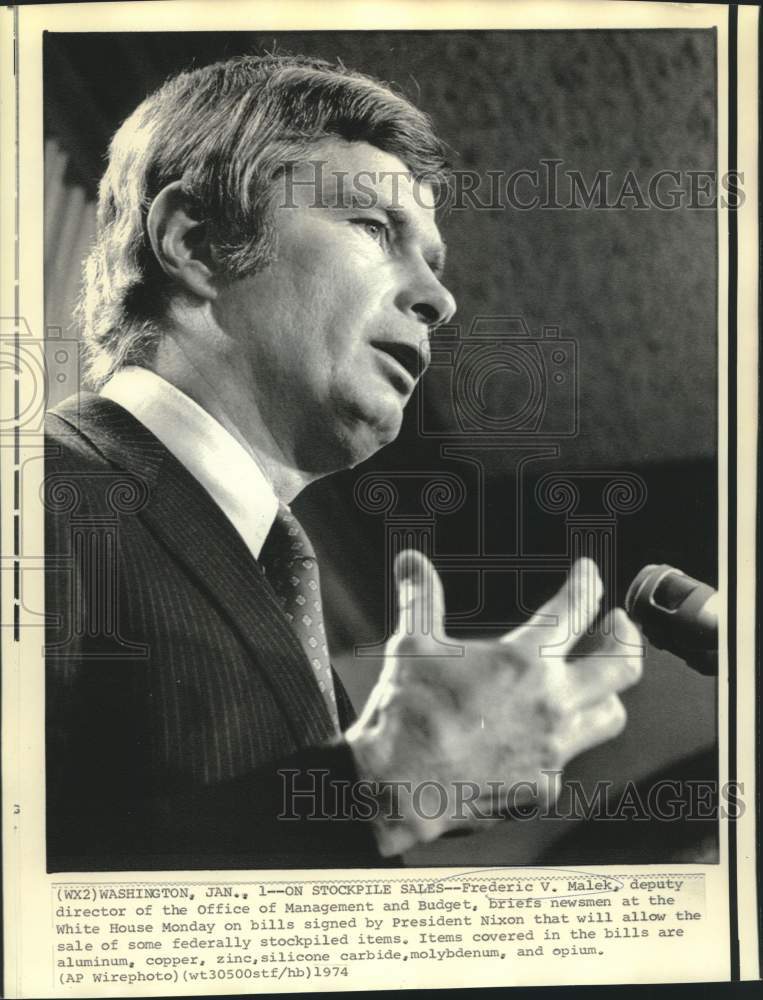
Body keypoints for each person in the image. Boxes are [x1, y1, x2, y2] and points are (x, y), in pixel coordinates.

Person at [44, 53, 642, 871]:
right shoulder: (31, 501)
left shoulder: (277, 599)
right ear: (197, 240)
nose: (439, 300)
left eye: (433, 261)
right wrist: (388, 789)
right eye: (373, 227)